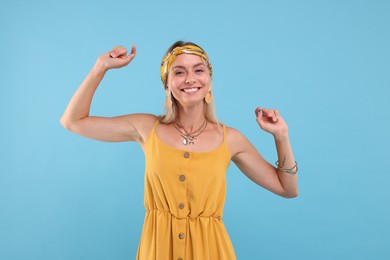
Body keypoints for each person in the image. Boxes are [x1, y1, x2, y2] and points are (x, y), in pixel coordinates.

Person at [60, 41, 298, 260]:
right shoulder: (146, 128)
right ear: (167, 84)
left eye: (198, 70)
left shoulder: (230, 139)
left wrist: (281, 136)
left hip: (211, 251)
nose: (190, 79)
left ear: (209, 80)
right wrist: (100, 67)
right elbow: (73, 121)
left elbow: (287, 189)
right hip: (158, 250)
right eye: (179, 72)